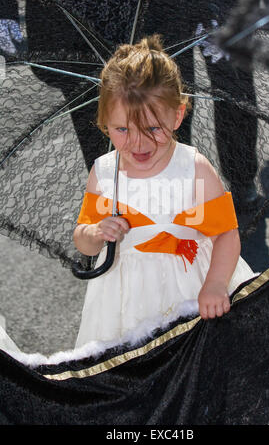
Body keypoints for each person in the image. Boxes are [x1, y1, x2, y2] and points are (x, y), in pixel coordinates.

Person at [73, 34, 254, 348]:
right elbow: (83, 242)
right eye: (122, 130)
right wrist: (97, 232)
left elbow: (225, 233)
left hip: (191, 284)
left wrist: (214, 284)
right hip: (123, 300)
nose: (138, 143)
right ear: (105, 123)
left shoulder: (192, 168)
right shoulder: (105, 173)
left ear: (178, 115)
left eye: (153, 128)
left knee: (200, 358)